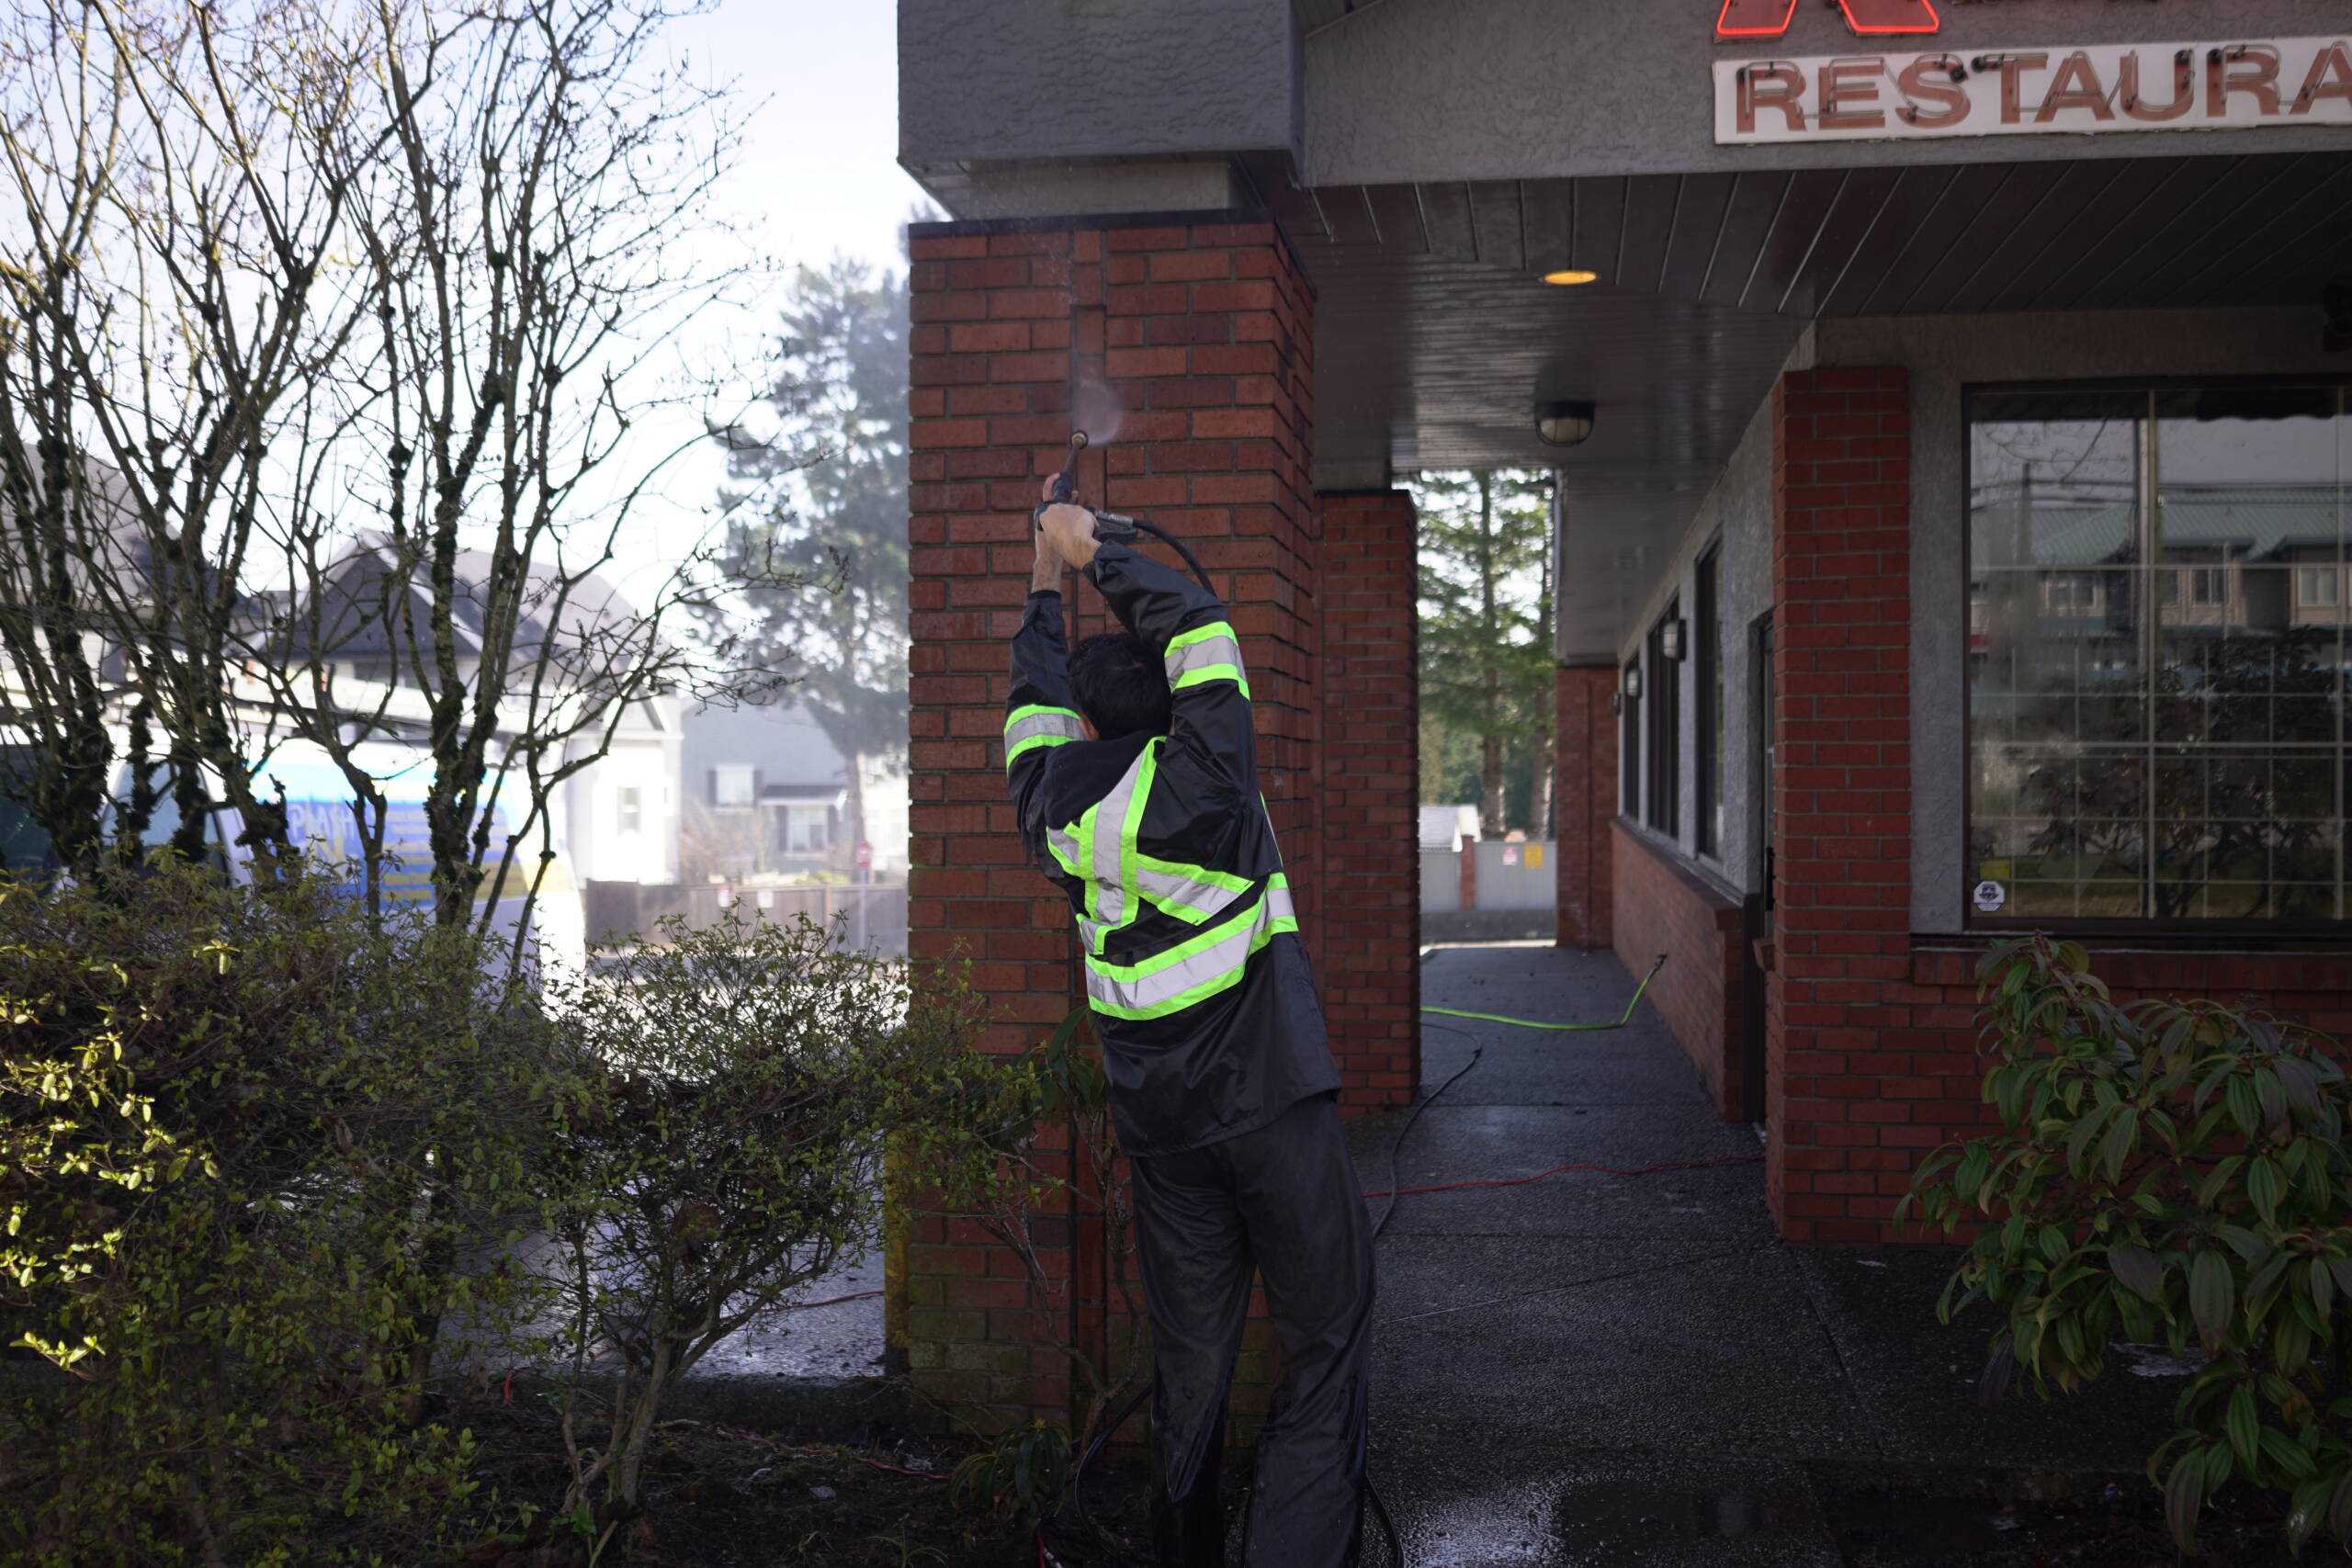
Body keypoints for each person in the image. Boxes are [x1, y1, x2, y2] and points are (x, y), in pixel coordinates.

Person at [1004, 485, 1375, 1567]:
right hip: (1274, 1109)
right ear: (1168, 710)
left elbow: (1031, 705)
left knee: (1192, 1368)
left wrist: (1041, 577)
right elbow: (1202, 633)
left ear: (1084, 725)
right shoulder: (1209, 775)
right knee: (1322, 1351)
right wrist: (1093, 551)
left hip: (1164, 1140)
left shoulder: (1050, 808)